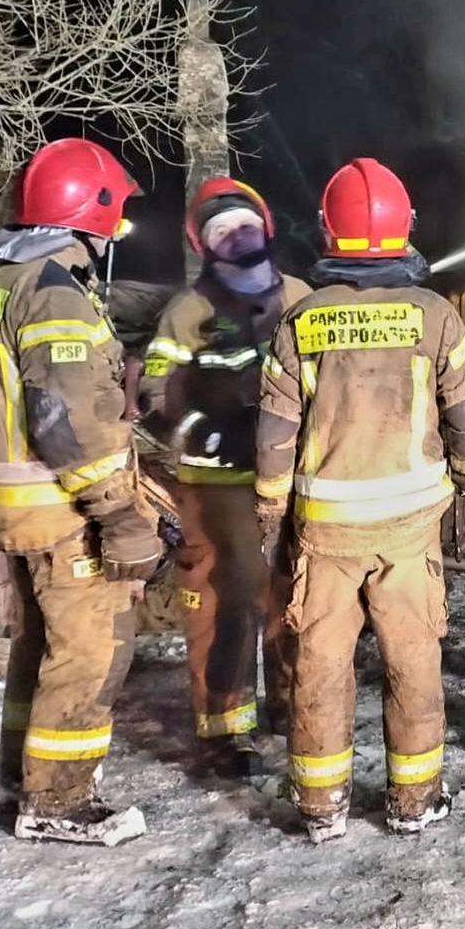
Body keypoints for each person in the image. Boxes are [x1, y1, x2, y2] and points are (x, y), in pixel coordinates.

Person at [255, 158, 465, 843]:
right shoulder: (435, 315)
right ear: (403, 227)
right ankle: (414, 800)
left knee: (320, 664)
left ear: (329, 231)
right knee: (413, 659)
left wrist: (270, 517)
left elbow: (273, 436)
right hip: (410, 529)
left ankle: (320, 805)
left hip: (325, 530)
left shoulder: (301, 320)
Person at [0, 138, 164, 846]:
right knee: (90, 650)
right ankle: (59, 799)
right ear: (92, 212)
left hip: (18, 507)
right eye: (116, 216)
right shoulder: (54, 293)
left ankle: (23, 779)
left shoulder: (3, 282)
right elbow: (67, 420)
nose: (116, 232)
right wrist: (119, 513)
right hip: (63, 510)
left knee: (42, 647)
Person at [140, 178, 309, 773]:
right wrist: (203, 428)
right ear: (205, 246)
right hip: (216, 484)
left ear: (266, 229)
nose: (236, 236)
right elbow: (152, 391)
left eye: (244, 225)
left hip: (289, 477)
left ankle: (292, 704)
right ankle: (226, 730)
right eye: (220, 231)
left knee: (292, 591)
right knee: (225, 600)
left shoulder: (301, 297)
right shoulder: (188, 311)